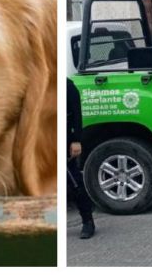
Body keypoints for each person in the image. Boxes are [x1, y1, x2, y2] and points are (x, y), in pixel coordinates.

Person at [67, 78, 95, 239]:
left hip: (65, 139)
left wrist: (76, 140)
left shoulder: (67, 85)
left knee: (74, 182)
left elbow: (77, 114)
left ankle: (87, 221)